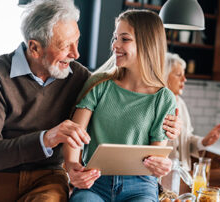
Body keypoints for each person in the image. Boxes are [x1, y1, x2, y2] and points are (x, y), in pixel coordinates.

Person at [0, 1, 180, 201]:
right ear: (35, 48)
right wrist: (48, 139)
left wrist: (172, 132)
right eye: (66, 46)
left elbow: (152, 144)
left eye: (77, 42)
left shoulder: (78, 76)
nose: (76, 54)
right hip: (1, 174)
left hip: (48, 178)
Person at [63, 9, 176, 201]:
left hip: (140, 185)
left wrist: (161, 165)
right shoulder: (99, 84)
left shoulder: (163, 98)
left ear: (147, 43)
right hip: (95, 182)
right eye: (115, 38)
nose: (115, 45)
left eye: (125, 39)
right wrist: (72, 165)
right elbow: (75, 134)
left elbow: (156, 156)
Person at [163, 52, 220, 172]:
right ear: (164, 76)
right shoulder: (157, 105)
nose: (184, 79)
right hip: (163, 175)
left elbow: (186, 139)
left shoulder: (180, 103)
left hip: (182, 173)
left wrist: (204, 141)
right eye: (178, 75)